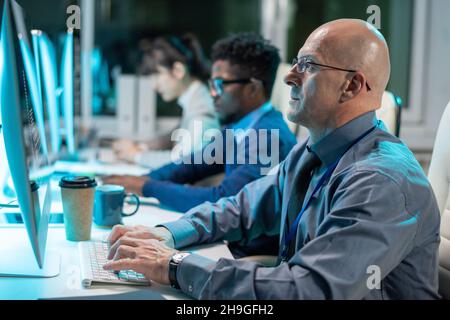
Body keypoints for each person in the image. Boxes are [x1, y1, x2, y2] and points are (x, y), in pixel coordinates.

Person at [103, 19, 441, 299]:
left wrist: (174, 265)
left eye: (307, 66)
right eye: (296, 62)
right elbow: (240, 208)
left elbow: (308, 290)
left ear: (351, 86)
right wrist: (165, 235)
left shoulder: (380, 181)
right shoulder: (312, 152)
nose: (289, 75)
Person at [112, 34, 220, 163]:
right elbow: (176, 136)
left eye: (157, 75)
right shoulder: (195, 100)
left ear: (178, 70)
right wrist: (140, 147)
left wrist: (136, 156)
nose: (154, 85)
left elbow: (184, 163)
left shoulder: (202, 112)